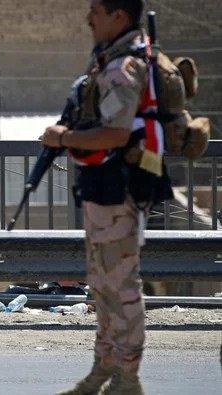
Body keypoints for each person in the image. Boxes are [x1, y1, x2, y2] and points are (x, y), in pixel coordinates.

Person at [41, 1, 153, 394]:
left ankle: (128, 378)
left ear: (119, 15)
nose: (89, 19)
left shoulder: (124, 66)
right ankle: (102, 370)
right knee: (102, 286)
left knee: (121, 286)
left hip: (119, 190)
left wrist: (64, 138)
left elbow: (116, 134)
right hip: (102, 189)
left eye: (97, 11)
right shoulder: (109, 59)